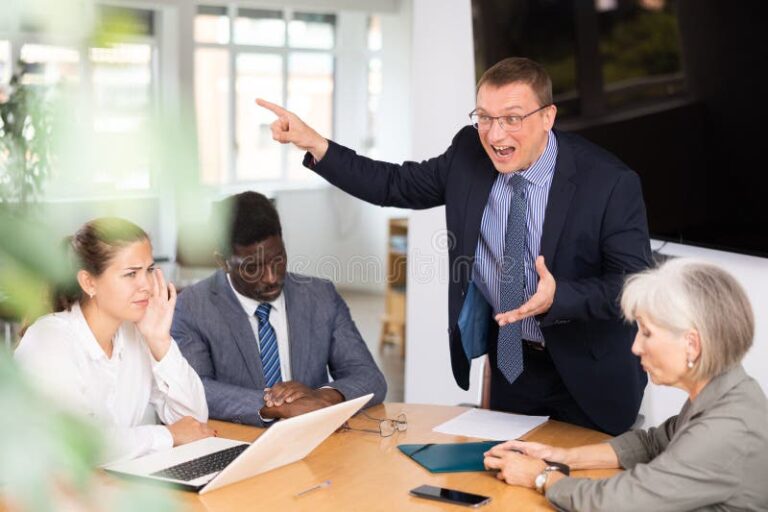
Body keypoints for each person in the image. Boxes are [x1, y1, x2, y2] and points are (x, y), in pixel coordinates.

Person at [256, 57, 651, 435]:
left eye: (512, 118)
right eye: (484, 117)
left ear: (547, 117)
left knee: (584, 493)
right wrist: (316, 144)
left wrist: (560, 296)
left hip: (589, 371)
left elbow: (636, 286)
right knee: (507, 489)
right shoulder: (469, 153)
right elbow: (394, 184)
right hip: (514, 365)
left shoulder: (609, 183)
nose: (495, 135)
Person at [483, 258, 768, 511]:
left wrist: (541, 476)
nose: (636, 346)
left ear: (691, 344)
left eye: (646, 332)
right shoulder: (723, 392)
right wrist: (559, 456)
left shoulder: (724, 430)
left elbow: (622, 501)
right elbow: (653, 443)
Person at [171, 191, 387, 426]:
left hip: (315, 440)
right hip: (241, 444)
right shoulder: (194, 306)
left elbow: (369, 376)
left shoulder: (319, 296)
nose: (272, 278)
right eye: (253, 268)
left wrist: (322, 397)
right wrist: (278, 408)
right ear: (222, 261)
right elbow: (196, 388)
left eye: (279, 260)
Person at [14, 218, 213, 465]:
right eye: (131, 274)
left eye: (150, 270)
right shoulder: (49, 340)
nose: (147, 286)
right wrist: (168, 435)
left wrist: (161, 341)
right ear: (89, 282)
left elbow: (194, 422)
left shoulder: (136, 334)